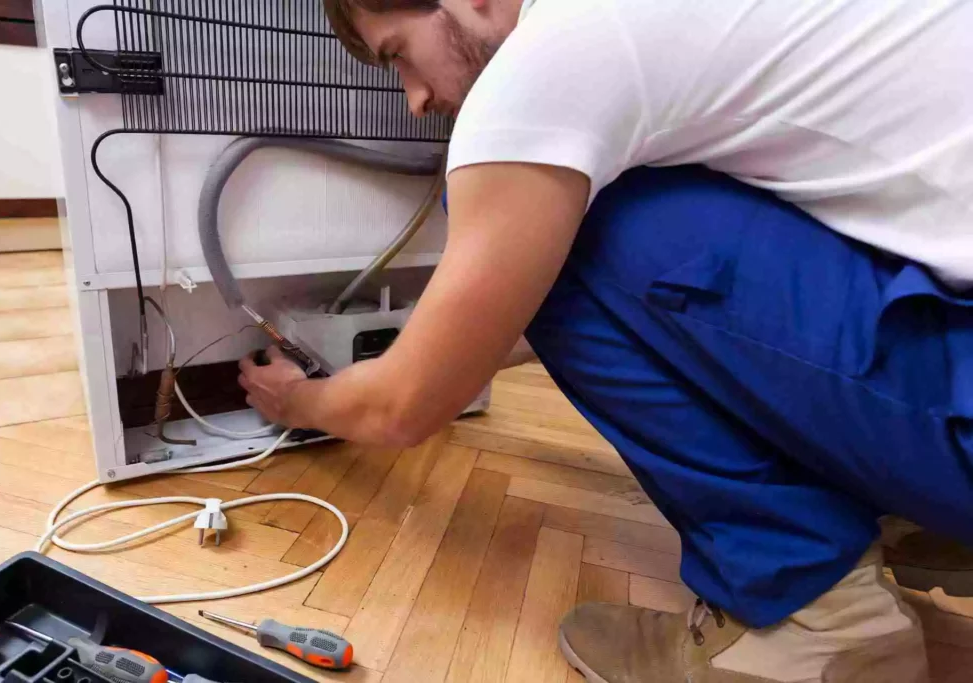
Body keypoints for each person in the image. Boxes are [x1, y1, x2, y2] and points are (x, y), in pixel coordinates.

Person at [237, 1, 973, 680]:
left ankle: (811, 616)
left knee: (572, 218)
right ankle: (919, 518)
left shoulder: (551, 59)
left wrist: (299, 400)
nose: (415, 97)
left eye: (399, 53)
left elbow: (402, 409)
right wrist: (458, 345)